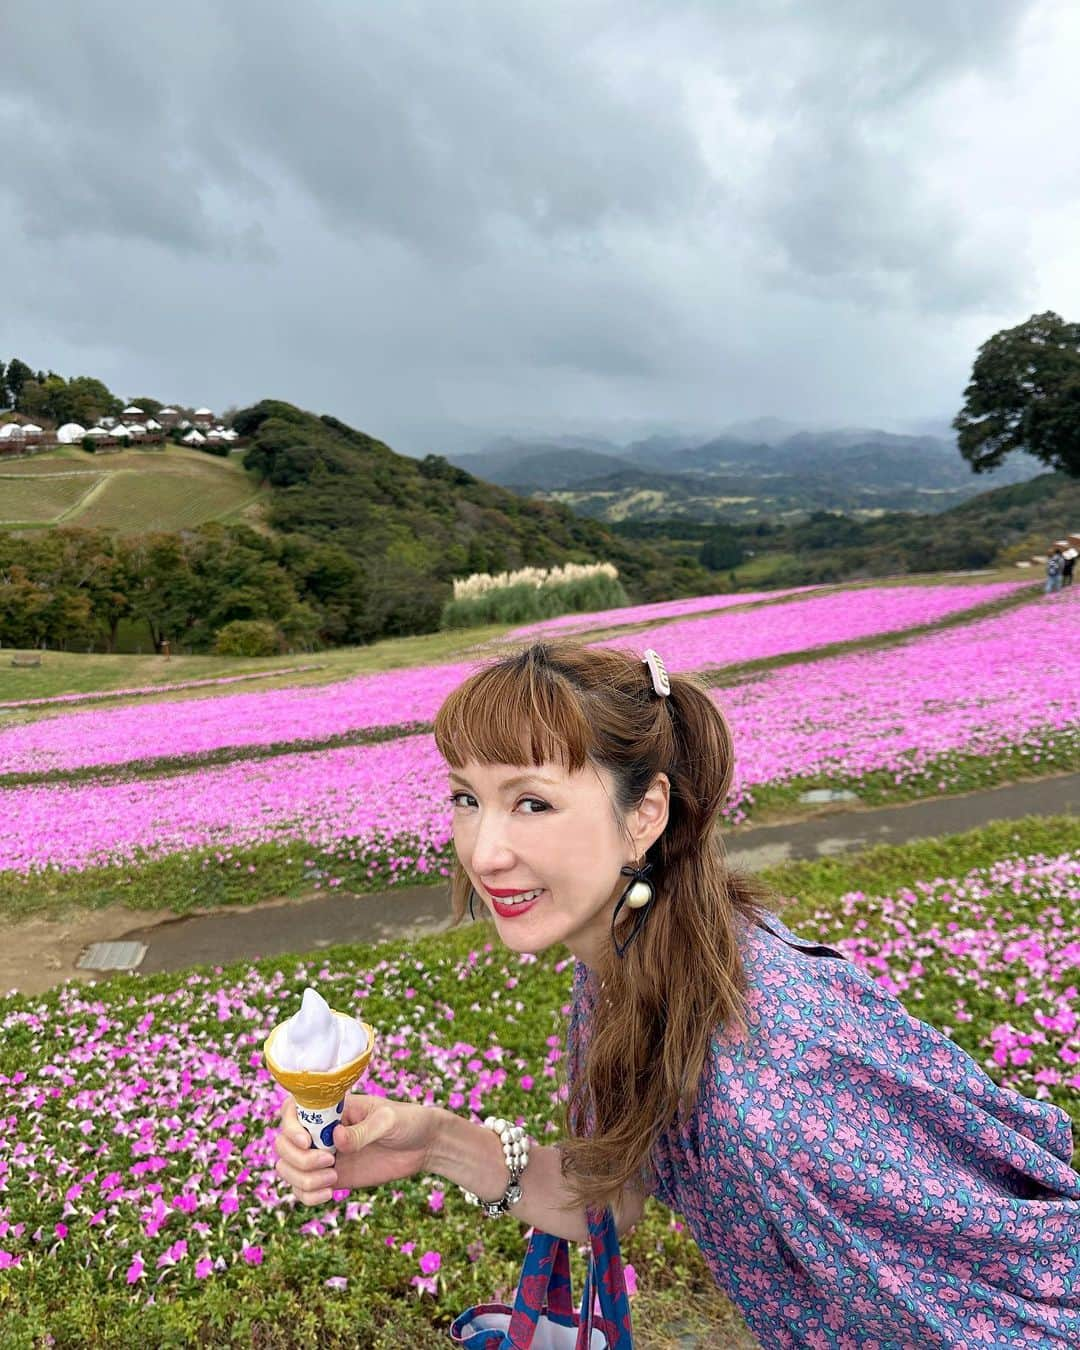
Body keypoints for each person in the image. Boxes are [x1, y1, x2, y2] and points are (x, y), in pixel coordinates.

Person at [273, 641, 1080, 1348]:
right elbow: (612, 1196)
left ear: (646, 813)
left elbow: (1006, 1319)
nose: (484, 852)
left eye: (532, 802)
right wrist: (438, 1146)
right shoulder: (635, 962)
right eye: (466, 798)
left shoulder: (773, 1089)